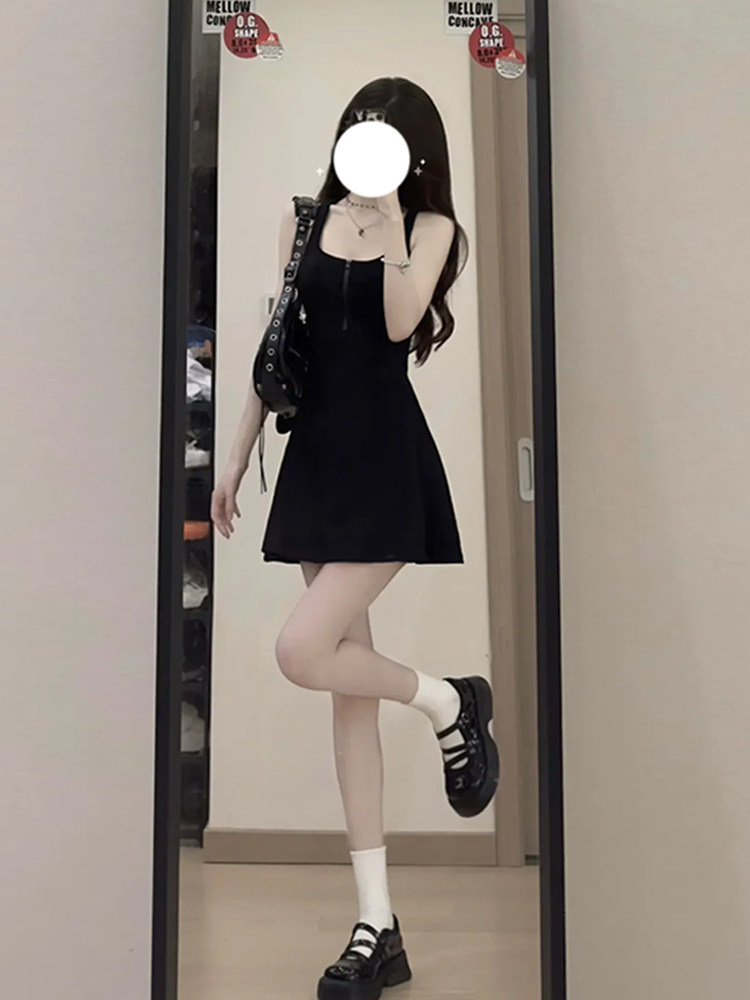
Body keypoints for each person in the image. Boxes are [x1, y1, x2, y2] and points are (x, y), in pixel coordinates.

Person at [211, 77, 500, 1000]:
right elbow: (276, 349)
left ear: (414, 152)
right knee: (345, 693)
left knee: (302, 650)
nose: (365, 147)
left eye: (384, 137)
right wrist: (234, 456)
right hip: (317, 462)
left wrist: (391, 220)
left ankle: (449, 702)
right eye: (357, 131)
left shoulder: (434, 229)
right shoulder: (306, 223)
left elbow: (401, 321)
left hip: (384, 463)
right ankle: (378, 925)